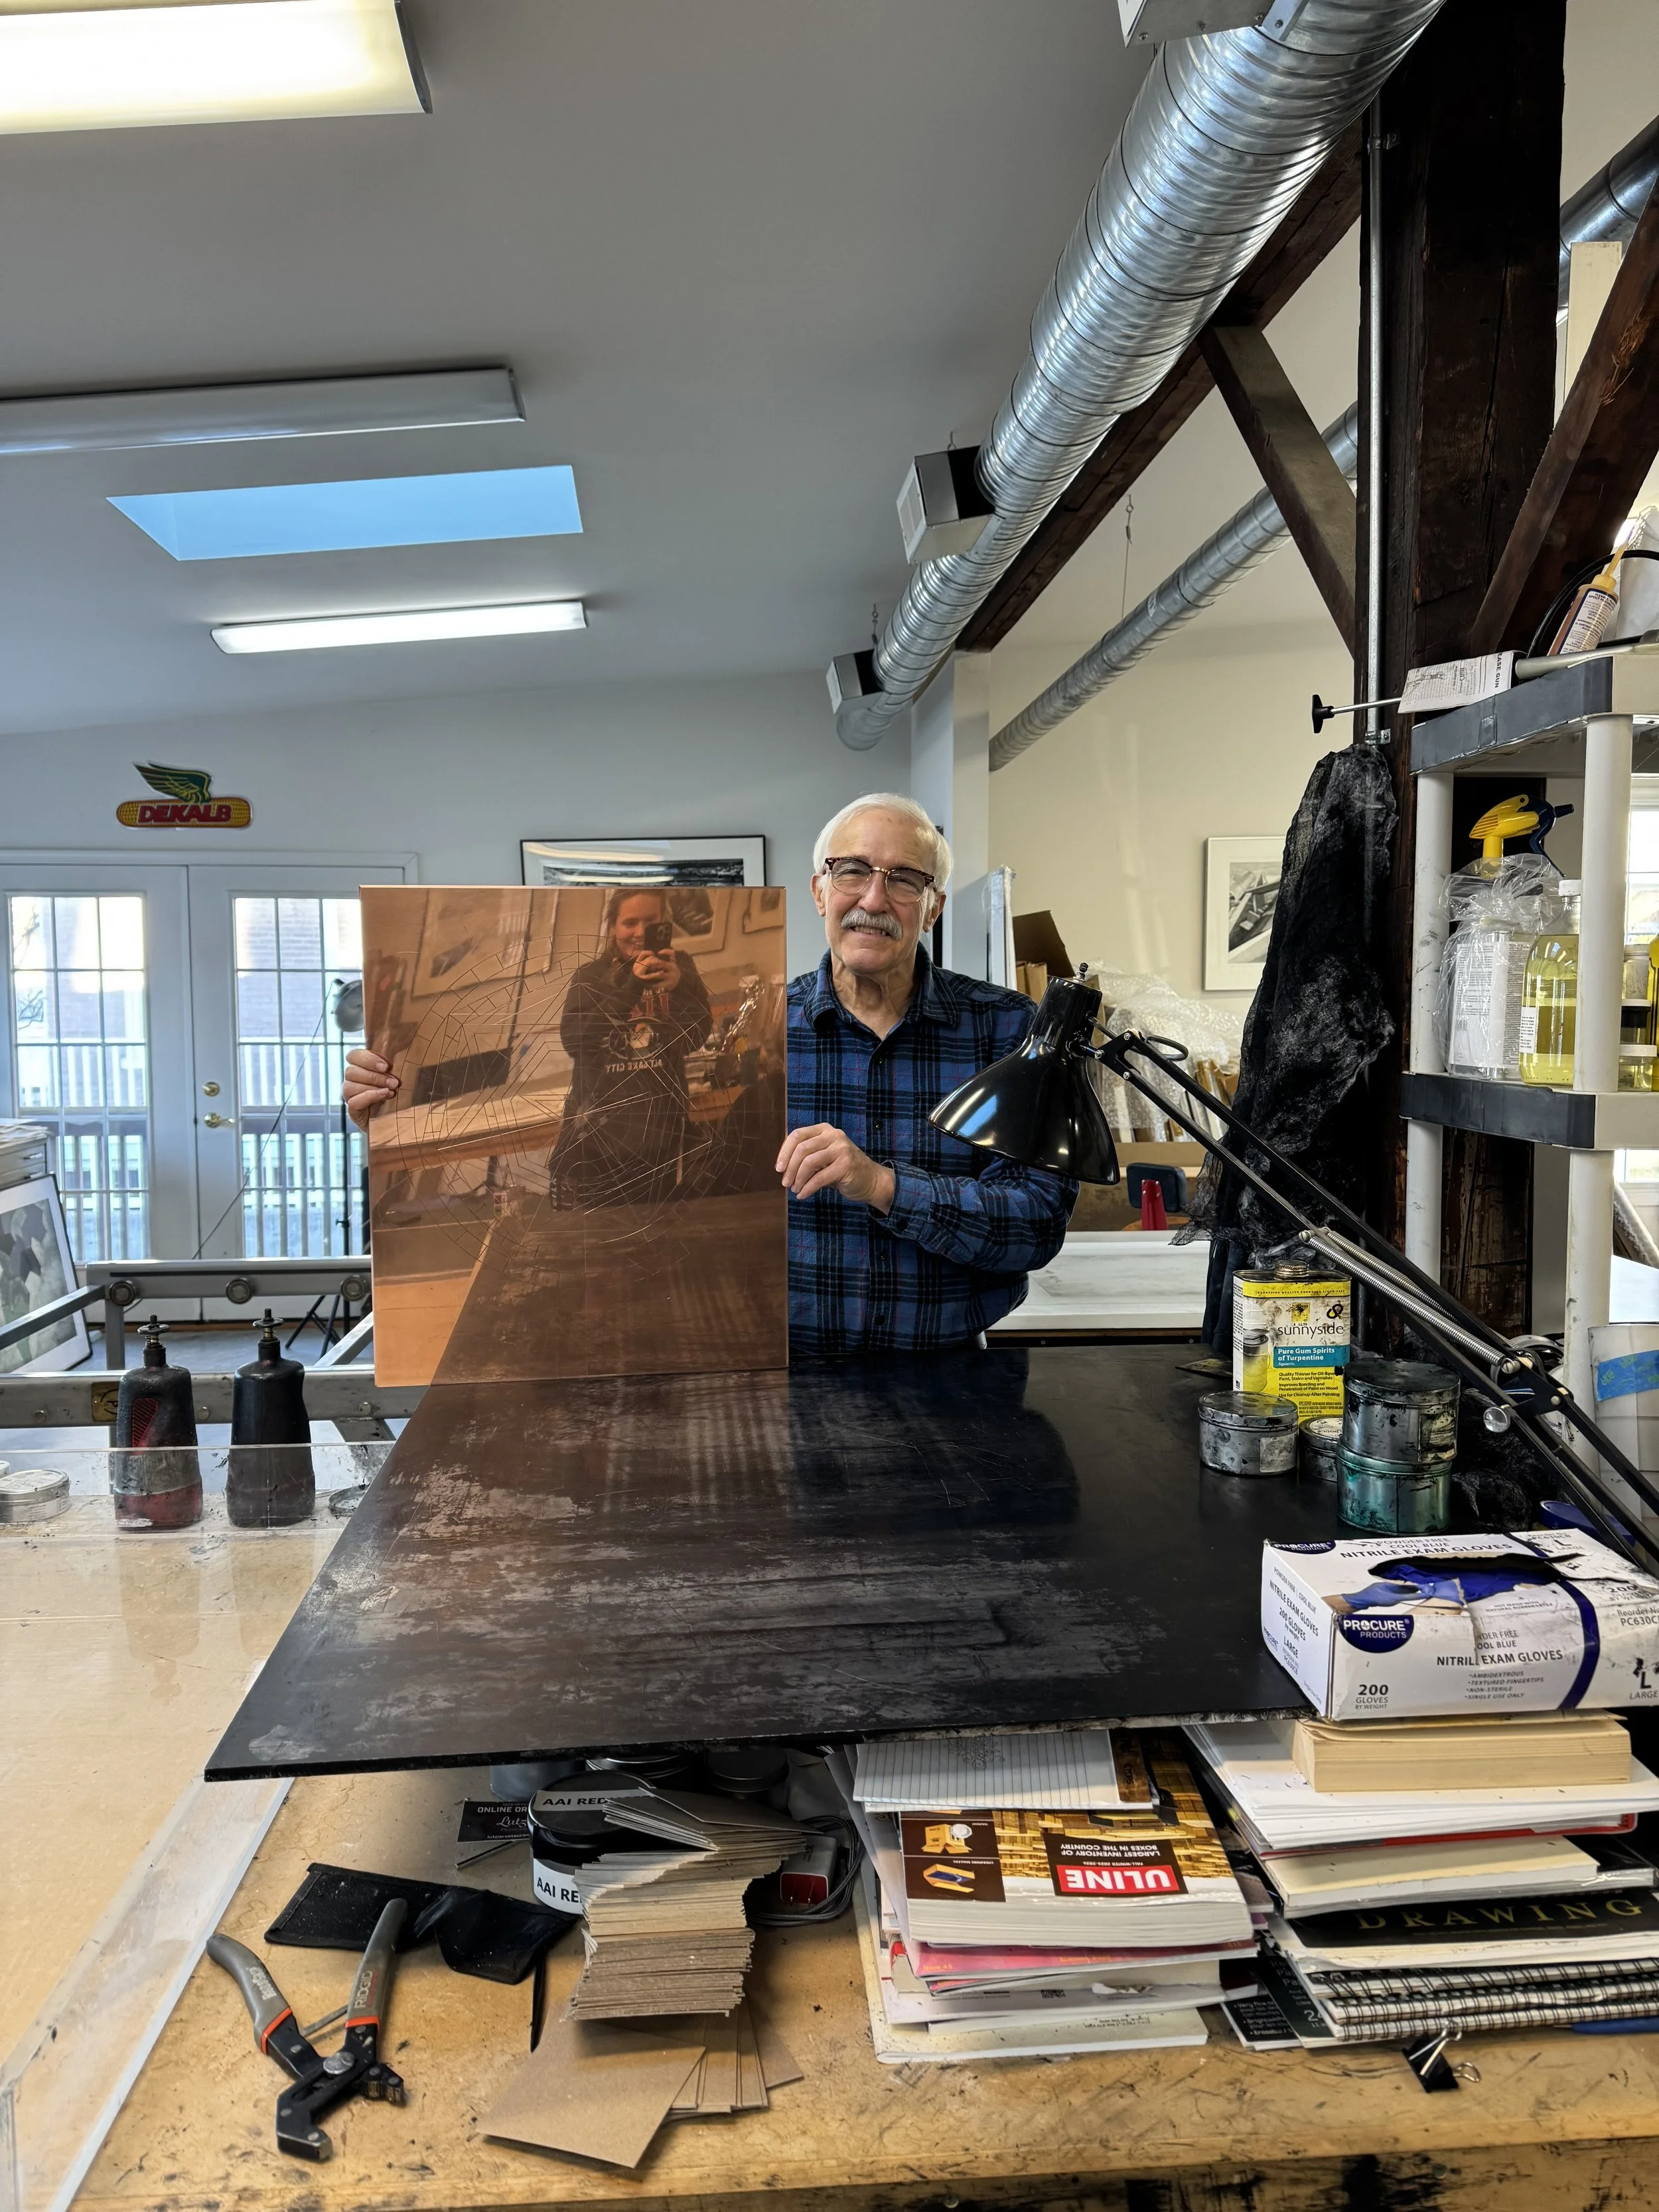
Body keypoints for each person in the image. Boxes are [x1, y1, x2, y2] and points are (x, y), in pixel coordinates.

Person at [779, 792, 1075, 1355]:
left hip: (955, 1382)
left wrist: (883, 1186)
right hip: (790, 1379)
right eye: (852, 870)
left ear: (933, 907)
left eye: (905, 880)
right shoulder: (755, 1033)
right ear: (820, 891)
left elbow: (1036, 1223)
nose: (874, 897)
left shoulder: (1010, 1030)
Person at [546, 886, 712, 1206]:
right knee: (599, 1245)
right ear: (612, 928)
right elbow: (576, 1042)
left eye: (651, 922)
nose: (639, 932)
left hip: (661, 1138)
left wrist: (682, 987)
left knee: (661, 1243)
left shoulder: (681, 968)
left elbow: (696, 1036)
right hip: (597, 1141)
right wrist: (633, 986)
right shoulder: (591, 977)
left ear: (665, 924)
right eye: (629, 923)